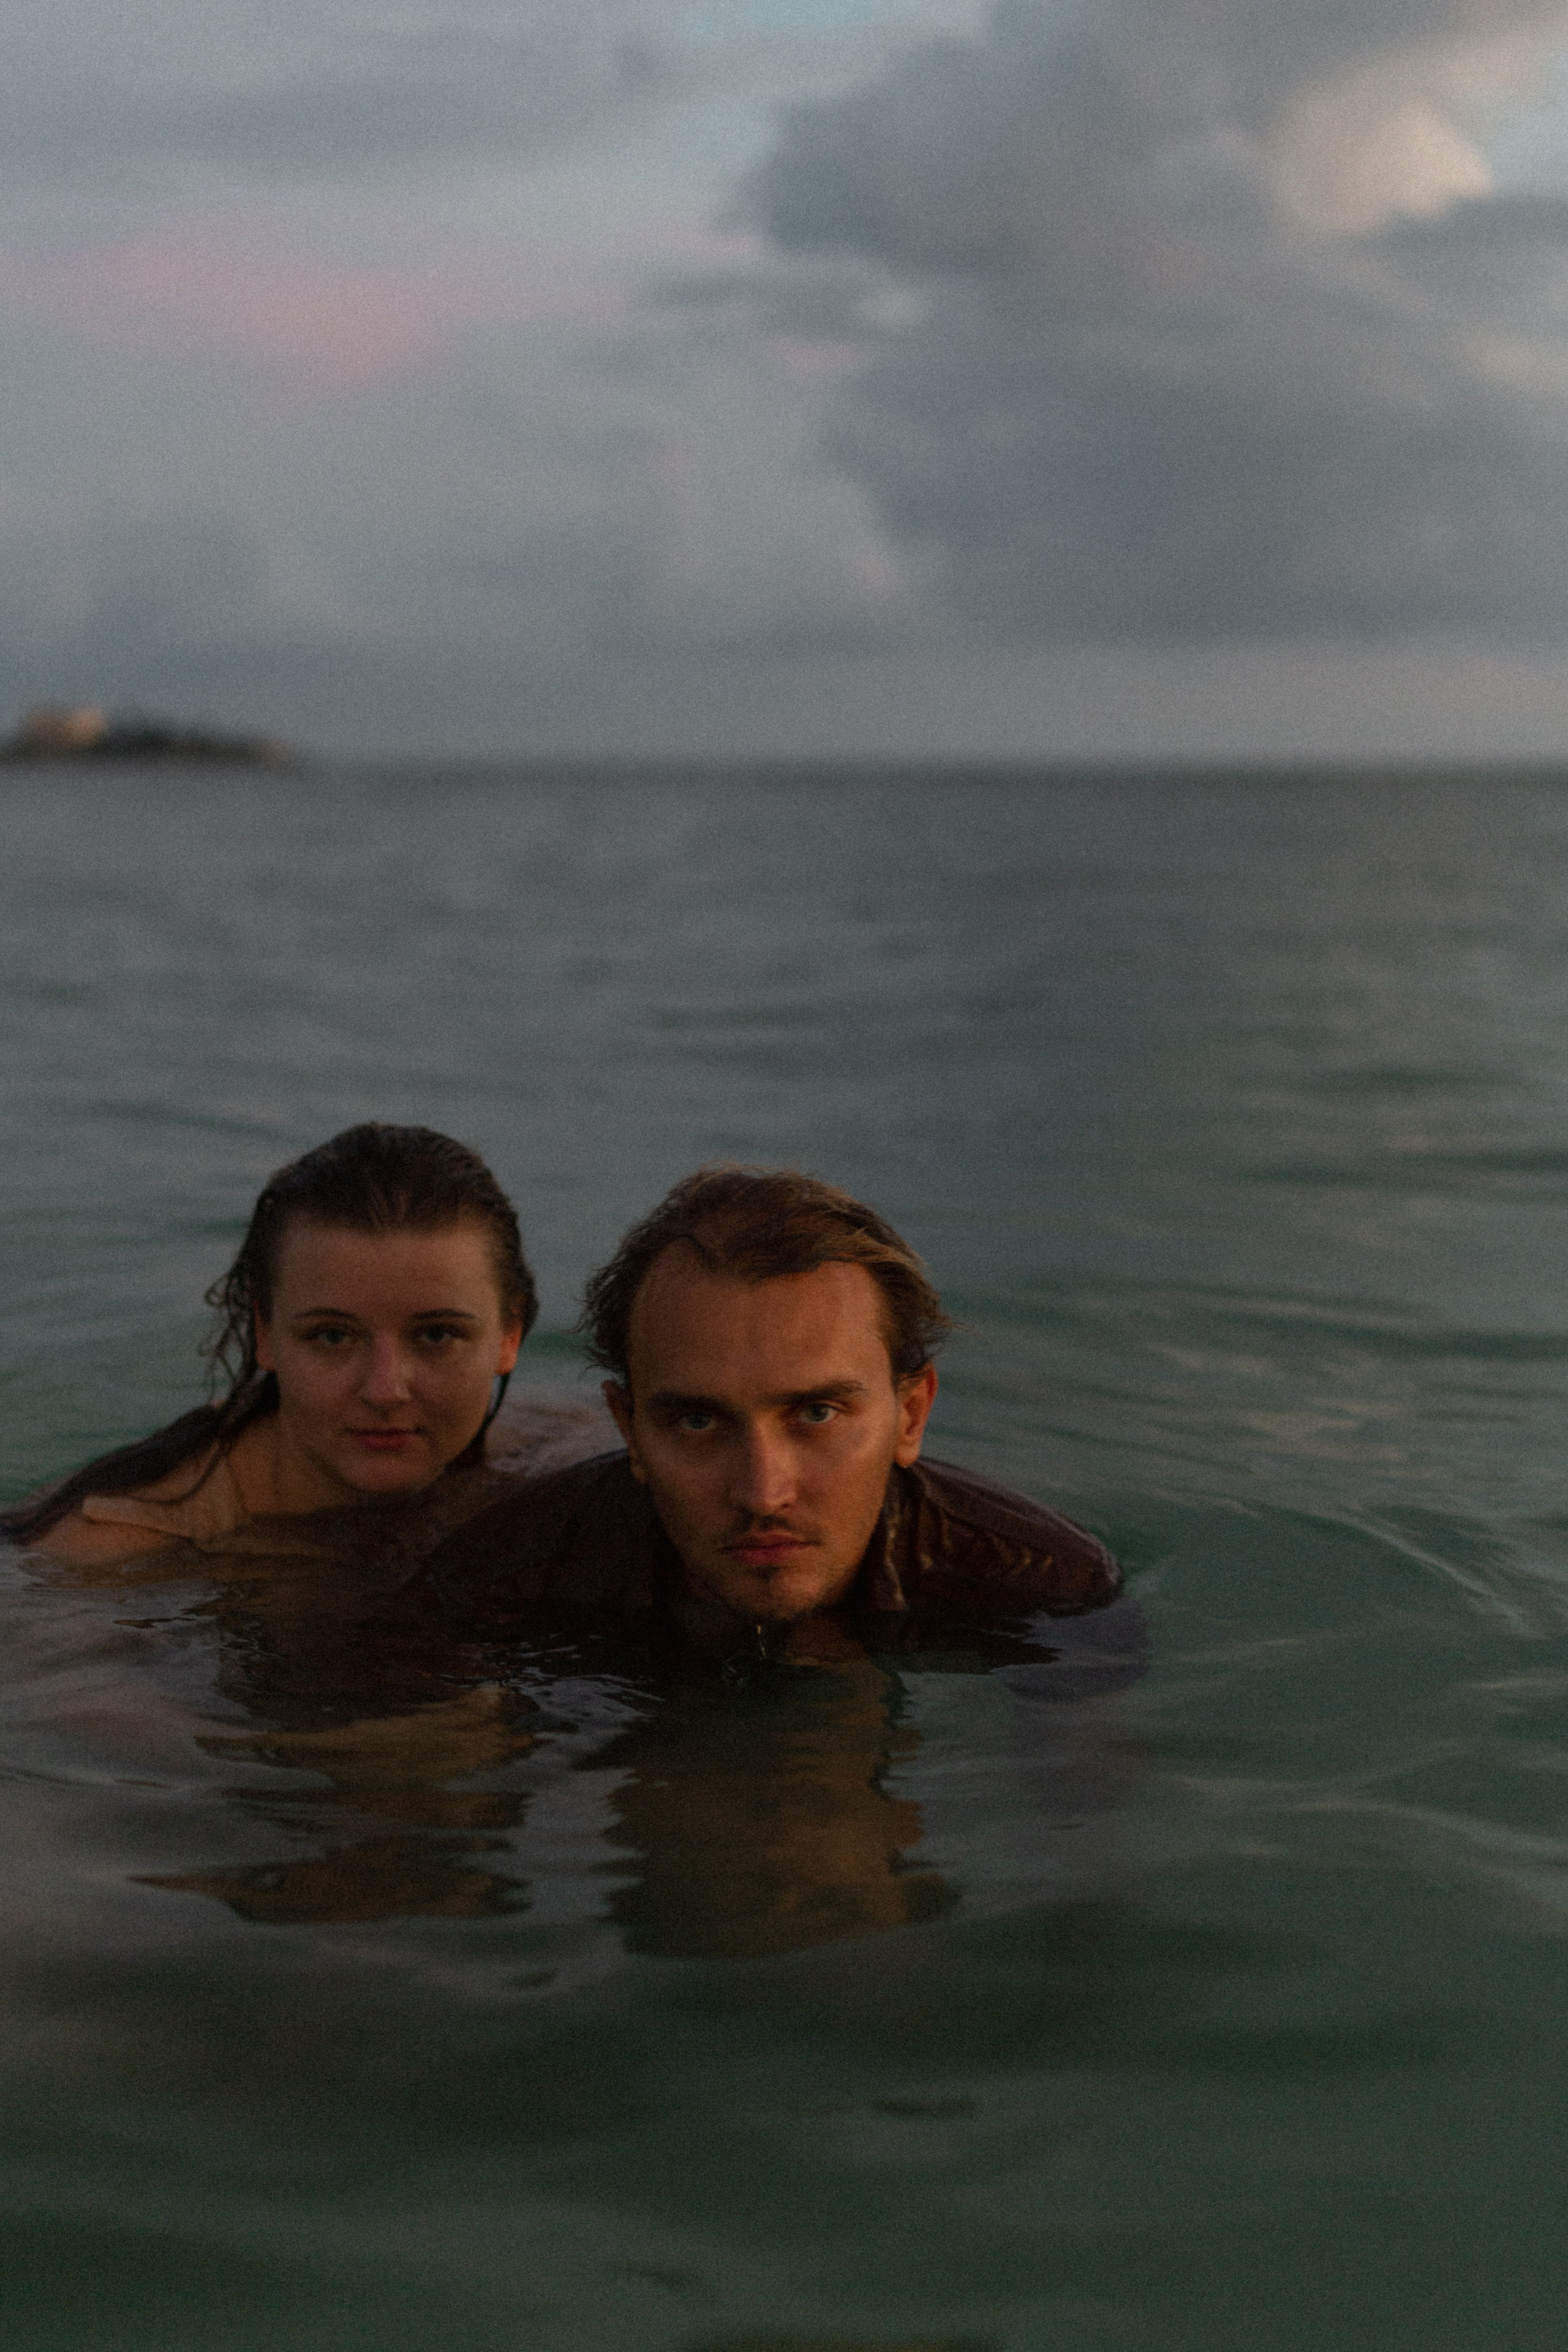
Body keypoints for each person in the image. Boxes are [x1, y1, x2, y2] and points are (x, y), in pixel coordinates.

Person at [410, 1166, 1129, 1670]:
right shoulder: (491, 1584)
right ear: (628, 1430)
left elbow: (1086, 1834)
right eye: (697, 1423)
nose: (761, 1493)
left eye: (816, 1413)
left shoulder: (1045, 1589)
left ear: (909, 1414)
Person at [2, 1123, 537, 1566]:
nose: (385, 1390)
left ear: (509, 1335)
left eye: (436, 1335)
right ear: (265, 1334)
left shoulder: (544, 1451)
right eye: (331, 1336)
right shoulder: (108, 1554)